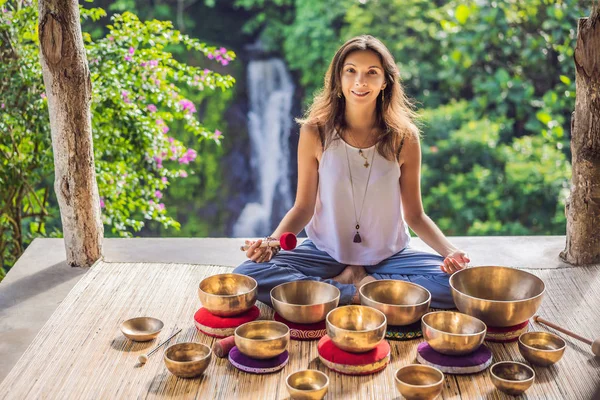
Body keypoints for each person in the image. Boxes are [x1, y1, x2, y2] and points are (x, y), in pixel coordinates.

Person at [233, 35, 469, 309]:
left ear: (385, 82)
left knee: (460, 284)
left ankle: (357, 283)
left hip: (388, 255)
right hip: (325, 252)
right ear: (338, 79)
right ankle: (361, 292)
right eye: (351, 71)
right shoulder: (315, 131)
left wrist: (451, 253)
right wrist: (272, 243)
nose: (360, 81)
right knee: (248, 274)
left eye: (372, 73)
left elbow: (414, 215)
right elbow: (302, 208)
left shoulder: (405, 138)